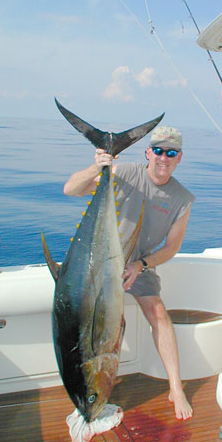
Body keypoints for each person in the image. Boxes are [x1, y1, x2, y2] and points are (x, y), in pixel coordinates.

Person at [63, 125, 195, 420]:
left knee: (158, 311)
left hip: (139, 264)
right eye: (158, 151)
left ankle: (176, 387)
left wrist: (141, 265)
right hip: (99, 265)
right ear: (148, 152)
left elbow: (171, 248)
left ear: (179, 158)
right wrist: (95, 167)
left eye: (171, 153)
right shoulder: (123, 173)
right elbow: (71, 189)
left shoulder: (183, 199)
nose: (164, 158)